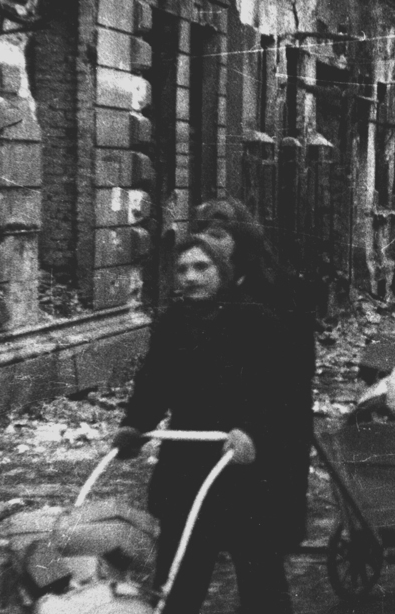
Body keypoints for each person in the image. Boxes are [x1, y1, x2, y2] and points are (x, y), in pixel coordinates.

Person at [111, 231, 313, 614]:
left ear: (222, 271)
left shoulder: (258, 320)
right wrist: (135, 425)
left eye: (201, 267)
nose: (190, 277)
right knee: (176, 577)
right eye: (182, 269)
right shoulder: (172, 322)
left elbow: (281, 392)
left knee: (260, 577)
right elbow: (154, 381)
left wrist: (252, 432)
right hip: (187, 464)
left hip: (244, 467)